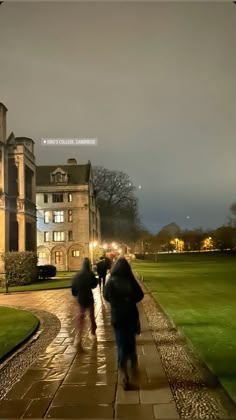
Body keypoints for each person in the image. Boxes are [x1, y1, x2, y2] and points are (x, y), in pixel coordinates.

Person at [103, 257, 144, 390]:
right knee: (130, 343)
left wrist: (116, 303)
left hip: (118, 317)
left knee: (121, 345)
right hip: (130, 315)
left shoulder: (111, 280)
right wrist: (129, 299)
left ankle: (124, 375)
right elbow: (140, 295)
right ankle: (133, 367)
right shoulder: (129, 279)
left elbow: (105, 295)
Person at [71, 258, 97, 345]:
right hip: (89, 297)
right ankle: (93, 333)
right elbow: (94, 285)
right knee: (92, 316)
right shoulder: (90, 274)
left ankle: (78, 336)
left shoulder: (78, 275)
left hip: (81, 298)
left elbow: (73, 288)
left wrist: (75, 293)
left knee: (80, 317)